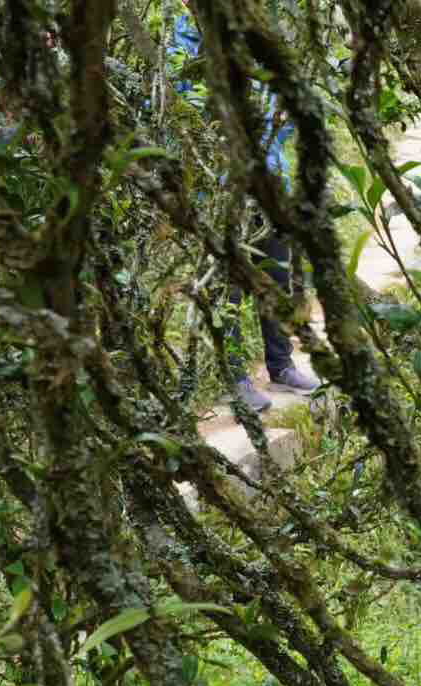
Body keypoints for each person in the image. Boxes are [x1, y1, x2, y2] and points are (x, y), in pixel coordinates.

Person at [171, 12, 319, 413]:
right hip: (221, 187)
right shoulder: (183, 38)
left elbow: (275, 103)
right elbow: (176, 107)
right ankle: (234, 379)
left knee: (277, 276)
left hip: (269, 179)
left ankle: (281, 365)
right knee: (228, 287)